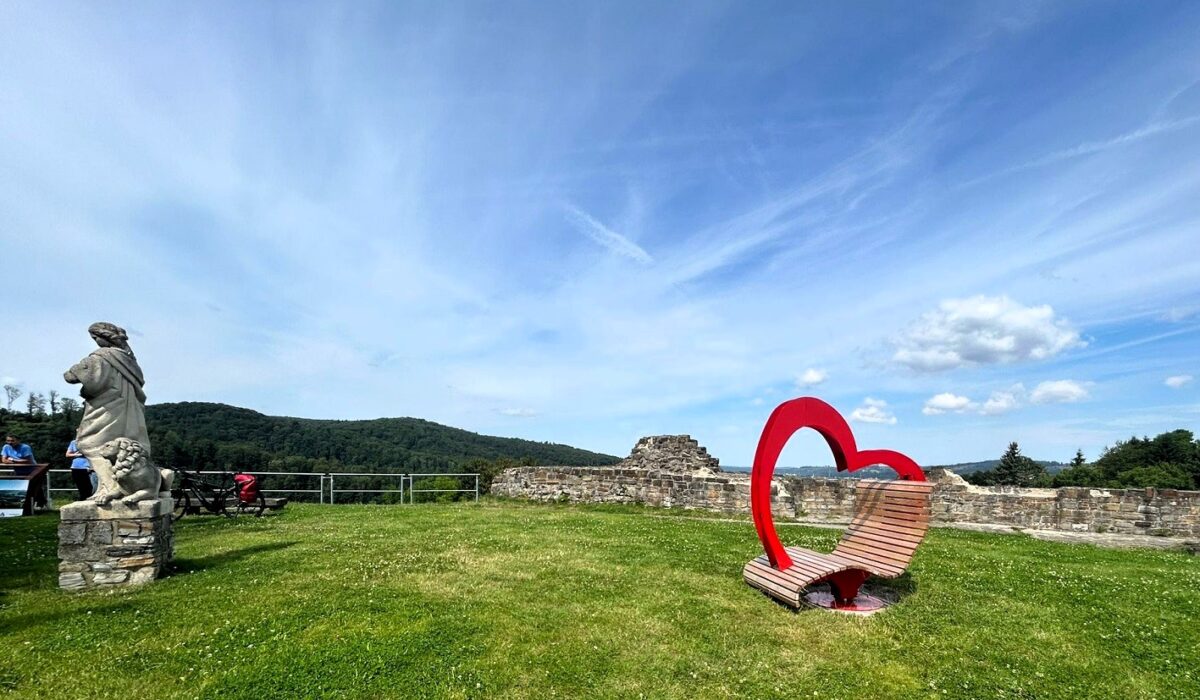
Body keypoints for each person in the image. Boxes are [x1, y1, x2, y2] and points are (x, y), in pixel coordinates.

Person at [3, 434, 47, 509]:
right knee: (22, 487)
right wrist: (18, 461)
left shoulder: (25, 447)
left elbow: (28, 461)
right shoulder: (6, 447)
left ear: (18, 441)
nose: (10, 442)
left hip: (32, 470)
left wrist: (13, 460)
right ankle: (27, 504)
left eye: (12, 441)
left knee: (33, 487)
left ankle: (40, 503)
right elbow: (4, 460)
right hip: (19, 471)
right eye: (8, 440)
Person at [65, 433, 95, 500]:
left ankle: (86, 501)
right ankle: (82, 501)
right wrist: (76, 454)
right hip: (76, 467)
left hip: (88, 467)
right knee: (81, 487)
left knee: (89, 487)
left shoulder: (90, 442)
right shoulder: (73, 442)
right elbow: (67, 454)